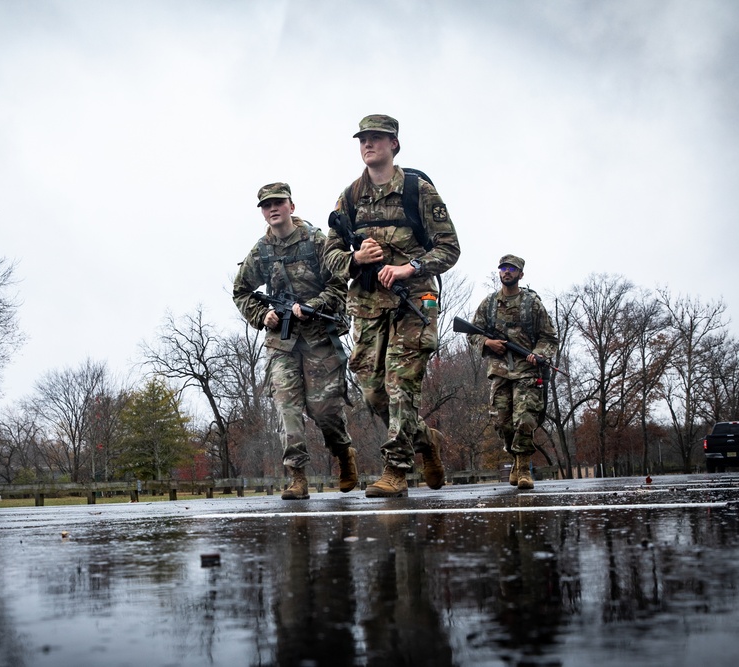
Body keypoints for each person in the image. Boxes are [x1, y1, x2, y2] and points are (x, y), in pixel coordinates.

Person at [324, 115, 461, 498]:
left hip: (414, 301)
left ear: (394, 144)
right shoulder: (350, 197)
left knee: (400, 385)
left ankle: (396, 470)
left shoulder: (418, 190)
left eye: (377, 139)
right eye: (363, 139)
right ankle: (426, 441)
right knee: (373, 393)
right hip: (368, 305)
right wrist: (356, 260)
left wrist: (409, 267)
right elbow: (330, 255)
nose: (369, 145)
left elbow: (449, 248)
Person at [232, 182, 357, 500]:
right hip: (282, 342)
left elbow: (339, 282)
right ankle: (297, 477)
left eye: (278, 202)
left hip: (318, 337)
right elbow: (241, 291)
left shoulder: (316, 240)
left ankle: (344, 455)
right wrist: (263, 316)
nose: (272, 209)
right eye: (266, 205)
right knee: (287, 408)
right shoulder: (261, 251)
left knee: (323, 411)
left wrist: (314, 305)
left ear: (291, 205)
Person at [468, 254, 559, 491]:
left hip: (527, 370)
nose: (506, 271)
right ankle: (514, 455)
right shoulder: (488, 304)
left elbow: (549, 337)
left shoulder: (532, 304)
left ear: (521, 274)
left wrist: (538, 354)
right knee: (502, 422)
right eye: (503, 268)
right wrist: (488, 343)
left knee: (525, 419)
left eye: (512, 269)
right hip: (499, 371)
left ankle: (522, 466)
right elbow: (472, 333)